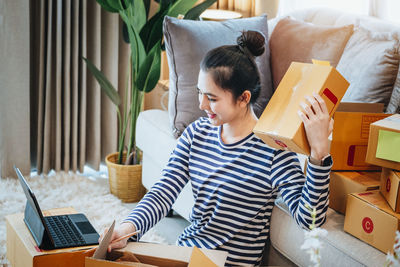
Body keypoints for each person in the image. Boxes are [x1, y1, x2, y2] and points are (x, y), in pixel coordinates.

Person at [100, 30, 333, 266]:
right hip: (186, 255)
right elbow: (163, 192)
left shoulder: (273, 151)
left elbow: (310, 220)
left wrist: (319, 155)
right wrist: (127, 229)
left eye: (211, 98)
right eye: (200, 93)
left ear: (243, 98)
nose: (201, 105)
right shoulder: (196, 134)